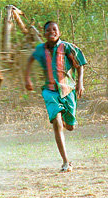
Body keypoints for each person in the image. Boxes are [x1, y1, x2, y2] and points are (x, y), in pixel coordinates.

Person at [25, 21, 87, 172]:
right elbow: (30, 60)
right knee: (56, 122)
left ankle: (67, 121)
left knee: (70, 127)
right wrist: (27, 78)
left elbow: (80, 64)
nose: (51, 32)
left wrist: (80, 83)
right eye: (48, 30)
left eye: (54, 29)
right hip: (50, 91)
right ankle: (66, 161)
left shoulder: (66, 47)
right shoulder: (40, 49)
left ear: (59, 32)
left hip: (67, 90)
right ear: (44, 33)